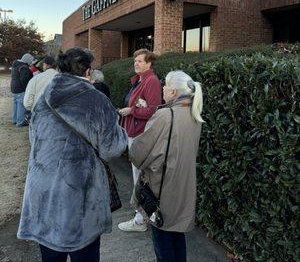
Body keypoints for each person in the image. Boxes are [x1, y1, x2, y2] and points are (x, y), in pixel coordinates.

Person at [17, 47, 128, 262]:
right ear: (88, 71)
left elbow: (34, 138)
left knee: (50, 253)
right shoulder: (97, 100)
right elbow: (112, 147)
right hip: (79, 197)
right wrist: (121, 131)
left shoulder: (43, 97)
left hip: (42, 192)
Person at [129, 70, 204, 262]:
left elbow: (138, 154)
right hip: (183, 187)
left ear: (173, 93)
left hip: (162, 189)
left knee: (163, 243)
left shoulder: (165, 115)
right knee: (177, 237)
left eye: (166, 85)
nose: (162, 88)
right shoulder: (194, 113)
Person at [118, 48, 162, 232]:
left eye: (141, 61)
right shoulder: (140, 81)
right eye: (135, 61)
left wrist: (132, 111)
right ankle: (141, 216)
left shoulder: (151, 81)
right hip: (134, 133)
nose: (136, 63)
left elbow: (154, 110)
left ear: (149, 63)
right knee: (138, 176)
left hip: (141, 136)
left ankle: (140, 220)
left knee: (140, 178)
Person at [10, 53, 34, 127]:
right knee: (21, 105)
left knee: (15, 105)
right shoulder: (24, 67)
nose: (31, 62)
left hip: (14, 88)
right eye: (31, 60)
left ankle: (14, 120)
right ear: (27, 60)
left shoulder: (15, 65)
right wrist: (26, 88)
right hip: (20, 89)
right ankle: (20, 122)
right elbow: (24, 79)